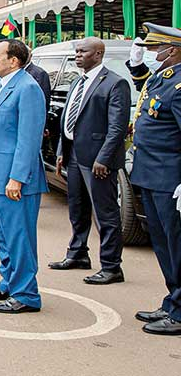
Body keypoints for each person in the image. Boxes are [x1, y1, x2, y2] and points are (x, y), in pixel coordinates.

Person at [47, 38, 131, 286]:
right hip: (74, 155)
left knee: (106, 214)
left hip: (97, 161)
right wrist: (62, 150)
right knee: (77, 208)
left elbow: (117, 128)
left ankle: (111, 266)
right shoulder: (77, 82)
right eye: (77, 51)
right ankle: (78, 253)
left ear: (99, 53)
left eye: (83, 51)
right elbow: (68, 121)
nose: (78, 55)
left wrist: (103, 158)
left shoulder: (116, 83)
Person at [0, 39, 48, 314]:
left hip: (14, 180)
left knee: (20, 238)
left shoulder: (27, 88)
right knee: (4, 235)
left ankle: (26, 294)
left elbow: (28, 139)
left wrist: (17, 177)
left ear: (14, 61)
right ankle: (8, 282)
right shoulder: (2, 84)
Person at [125, 23, 181, 335]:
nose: (152, 55)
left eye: (156, 50)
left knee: (177, 244)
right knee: (161, 243)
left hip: (170, 178)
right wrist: (136, 65)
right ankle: (173, 300)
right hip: (150, 173)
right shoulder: (163, 78)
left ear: (171, 51)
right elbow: (143, 88)